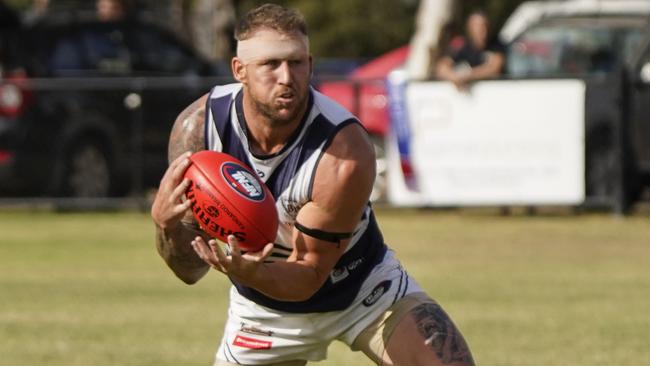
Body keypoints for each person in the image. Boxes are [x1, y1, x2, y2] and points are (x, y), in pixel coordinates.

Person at [151, 4, 475, 366]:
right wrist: (166, 227)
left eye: (297, 62)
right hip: (262, 311)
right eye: (270, 64)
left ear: (311, 64)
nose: (287, 77)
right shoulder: (198, 129)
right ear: (239, 70)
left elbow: (309, 276)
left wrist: (251, 271)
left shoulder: (344, 150)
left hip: (362, 288)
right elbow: (189, 272)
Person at [435, 10, 505, 89]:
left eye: (484, 25)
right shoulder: (460, 43)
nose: (482, 29)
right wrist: (454, 77)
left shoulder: (496, 44)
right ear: (470, 27)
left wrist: (468, 76)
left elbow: (495, 68)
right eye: (477, 26)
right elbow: (441, 67)